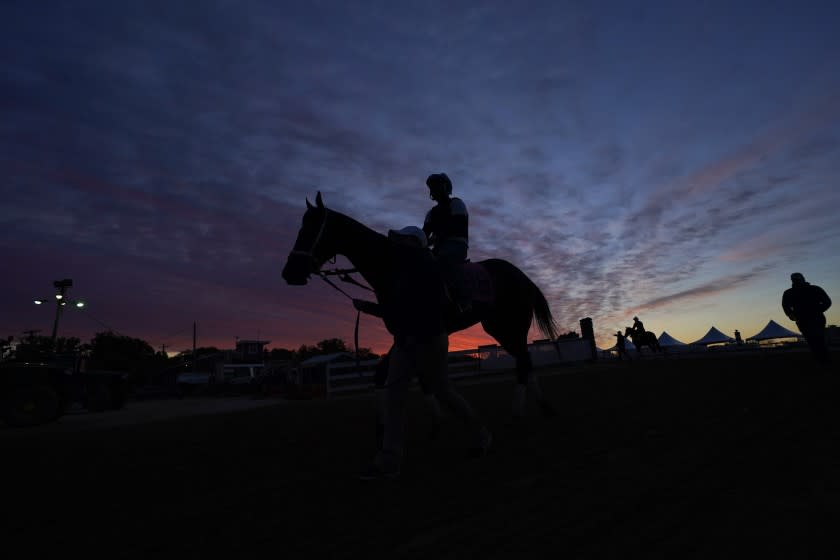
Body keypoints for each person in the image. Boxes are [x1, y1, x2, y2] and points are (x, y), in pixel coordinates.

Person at [352, 226, 491, 480]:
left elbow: (414, 311)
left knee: (442, 392)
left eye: (402, 241)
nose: (397, 245)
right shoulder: (406, 272)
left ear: (414, 245)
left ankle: (480, 433)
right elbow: (399, 310)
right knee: (397, 395)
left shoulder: (427, 271)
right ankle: (389, 460)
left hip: (426, 342)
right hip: (408, 342)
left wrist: (379, 312)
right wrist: (371, 308)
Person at [422, 172, 471, 314]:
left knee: (443, 262)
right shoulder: (431, 213)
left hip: (457, 245)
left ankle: (462, 301)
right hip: (439, 247)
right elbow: (424, 234)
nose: (433, 190)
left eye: (436, 186)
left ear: (445, 187)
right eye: (432, 187)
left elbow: (457, 226)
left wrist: (435, 239)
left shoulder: (456, 203)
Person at [782, 272, 833, 366]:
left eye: (797, 279)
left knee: (817, 339)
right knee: (813, 340)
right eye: (795, 279)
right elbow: (786, 307)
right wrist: (792, 315)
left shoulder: (814, 289)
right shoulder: (790, 293)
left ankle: (823, 360)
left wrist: (817, 310)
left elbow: (827, 302)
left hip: (814, 318)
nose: (797, 281)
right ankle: (822, 360)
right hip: (805, 319)